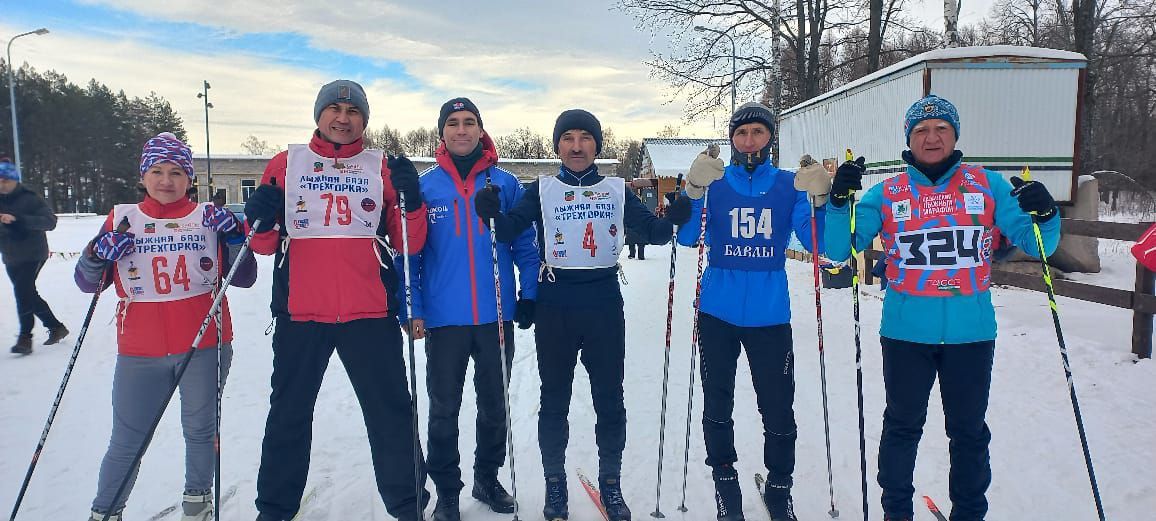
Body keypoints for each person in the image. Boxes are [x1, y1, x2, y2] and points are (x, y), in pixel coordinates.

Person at [824, 95, 1061, 521]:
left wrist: (1045, 213)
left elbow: (1038, 244)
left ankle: (969, 514)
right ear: (908, 139)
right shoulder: (888, 192)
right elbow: (840, 248)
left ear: (954, 135)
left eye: (940, 129)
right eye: (921, 130)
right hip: (905, 332)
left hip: (971, 334)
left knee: (968, 433)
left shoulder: (986, 184)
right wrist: (841, 203)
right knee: (902, 427)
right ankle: (896, 512)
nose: (931, 138)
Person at [474, 109, 692, 521]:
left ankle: (611, 483)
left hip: (603, 302)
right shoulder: (541, 189)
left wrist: (676, 216)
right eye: (568, 138)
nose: (576, 146)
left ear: (597, 144)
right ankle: (555, 483)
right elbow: (506, 230)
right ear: (557, 145)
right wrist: (487, 210)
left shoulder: (616, 189)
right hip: (557, 303)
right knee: (553, 400)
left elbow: (655, 232)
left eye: (585, 138)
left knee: (610, 400)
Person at [243, 79, 431, 521]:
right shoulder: (285, 163)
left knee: (390, 414)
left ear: (364, 119)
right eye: (335, 110)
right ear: (320, 114)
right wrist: (261, 215)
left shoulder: (379, 165)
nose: (343, 119)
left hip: (369, 311)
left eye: (353, 112)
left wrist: (413, 200)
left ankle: (409, 506)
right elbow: (264, 245)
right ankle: (273, 509)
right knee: (288, 415)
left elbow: (410, 242)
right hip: (302, 311)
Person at [75, 133, 257, 521]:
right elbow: (88, 282)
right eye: (156, 171)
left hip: (205, 342)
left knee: (200, 429)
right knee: (127, 438)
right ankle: (105, 510)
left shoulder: (208, 216)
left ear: (190, 178)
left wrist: (234, 237)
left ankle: (197, 500)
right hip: (140, 350)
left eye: (176, 172)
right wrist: (96, 254)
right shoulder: (124, 218)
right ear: (143, 175)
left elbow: (244, 278)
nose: (166, 180)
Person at [676, 102, 829, 521]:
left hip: (769, 314)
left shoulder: (787, 184)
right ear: (731, 139)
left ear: (770, 138)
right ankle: (726, 488)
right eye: (741, 134)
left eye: (758, 133)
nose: (749, 141)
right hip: (717, 312)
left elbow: (821, 244)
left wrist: (821, 200)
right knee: (717, 403)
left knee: (778, 405)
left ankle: (780, 487)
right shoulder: (715, 181)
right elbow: (687, 238)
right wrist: (691, 191)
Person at [396, 97, 538, 521]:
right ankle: (448, 490)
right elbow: (411, 255)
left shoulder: (505, 183)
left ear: (481, 129)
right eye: (453, 123)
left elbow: (526, 247)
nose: (461, 130)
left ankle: (487, 477)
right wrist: (412, 308)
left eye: (469, 122)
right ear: (442, 132)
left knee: (495, 404)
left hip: (495, 314)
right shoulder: (425, 186)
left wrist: (528, 294)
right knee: (443, 409)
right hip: (444, 318)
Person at [0, 156, 68, 354]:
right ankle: (56, 327)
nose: (2, 184)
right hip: (11, 255)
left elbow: (49, 221)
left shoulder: (30, 197)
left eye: (6, 180)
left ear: (15, 180)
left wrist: (19, 220)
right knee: (28, 293)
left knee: (22, 292)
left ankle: (25, 338)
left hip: (33, 254)